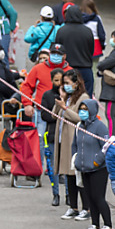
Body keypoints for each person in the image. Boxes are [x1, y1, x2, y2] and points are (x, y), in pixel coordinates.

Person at [71, 100, 115, 229]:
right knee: (89, 197)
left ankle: (108, 225)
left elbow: (106, 147)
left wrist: (97, 162)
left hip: (98, 169)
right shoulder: (79, 126)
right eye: (81, 109)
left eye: (85, 109)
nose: (82, 112)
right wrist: (76, 159)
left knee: (98, 197)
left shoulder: (100, 127)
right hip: (84, 168)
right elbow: (75, 144)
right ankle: (94, 224)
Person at [54, 70, 90, 220]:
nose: (65, 86)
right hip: (63, 140)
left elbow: (80, 118)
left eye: (68, 83)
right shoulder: (66, 98)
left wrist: (65, 108)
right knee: (68, 176)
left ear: (76, 83)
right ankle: (73, 207)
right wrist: (61, 101)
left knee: (78, 176)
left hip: (75, 142)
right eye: (64, 83)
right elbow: (53, 114)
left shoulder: (83, 98)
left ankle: (86, 208)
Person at [55, 6, 95, 96]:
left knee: (66, 97)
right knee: (85, 97)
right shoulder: (87, 31)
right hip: (85, 68)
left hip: (67, 68)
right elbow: (91, 50)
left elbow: (58, 50)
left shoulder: (61, 31)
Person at [39, 67, 65, 205]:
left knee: (67, 168)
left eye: (61, 81)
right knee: (53, 167)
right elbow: (44, 115)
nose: (59, 83)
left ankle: (68, 195)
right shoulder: (48, 96)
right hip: (53, 135)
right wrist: (57, 116)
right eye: (56, 80)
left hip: (66, 136)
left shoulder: (68, 95)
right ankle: (56, 194)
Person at [79, 0, 105, 67]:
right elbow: (101, 34)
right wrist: (102, 45)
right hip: (95, 45)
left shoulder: (78, 18)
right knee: (93, 68)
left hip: (81, 45)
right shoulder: (97, 18)